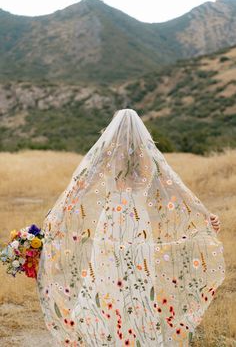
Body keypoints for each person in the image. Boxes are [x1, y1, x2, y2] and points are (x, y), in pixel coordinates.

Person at [37, 109, 225, 346]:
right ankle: (137, 331)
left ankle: (102, 330)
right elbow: (177, 187)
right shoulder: (149, 158)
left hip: (112, 222)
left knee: (106, 274)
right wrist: (204, 215)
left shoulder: (106, 156)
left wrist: (57, 213)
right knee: (137, 275)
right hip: (137, 224)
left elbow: (79, 186)